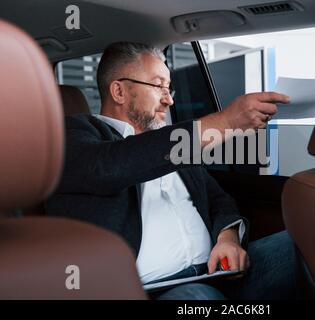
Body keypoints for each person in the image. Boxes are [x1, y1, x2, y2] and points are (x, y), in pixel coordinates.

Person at [45, 41, 301, 300]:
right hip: (156, 292)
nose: (169, 99)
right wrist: (226, 121)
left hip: (218, 274)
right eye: (158, 86)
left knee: (309, 242)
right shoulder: (74, 136)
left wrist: (228, 237)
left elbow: (217, 199)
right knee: (196, 297)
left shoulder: (171, 145)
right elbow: (110, 167)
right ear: (119, 91)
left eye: (169, 88)